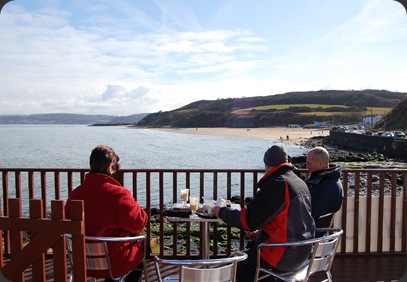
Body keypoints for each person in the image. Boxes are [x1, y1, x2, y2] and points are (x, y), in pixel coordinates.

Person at [212, 144, 315, 281]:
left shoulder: (278, 184)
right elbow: (288, 220)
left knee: (234, 263)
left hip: (284, 254)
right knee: (248, 258)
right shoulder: (299, 182)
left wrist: (222, 212)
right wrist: (261, 234)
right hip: (303, 252)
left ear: (267, 164)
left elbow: (248, 221)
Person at [65, 145, 148, 282]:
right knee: (144, 246)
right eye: (114, 168)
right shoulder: (118, 194)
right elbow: (139, 223)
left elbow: (67, 224)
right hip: (113, 263)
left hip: (81, 261)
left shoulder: (76, 193)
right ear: (110, 167)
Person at [306, 146, 344, 235]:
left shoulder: (328, 186)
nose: (307, 167)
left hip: (309, 232)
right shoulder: (327, 180)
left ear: (320, 164)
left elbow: (309, 212)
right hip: (311, 229)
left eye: (309, 164)